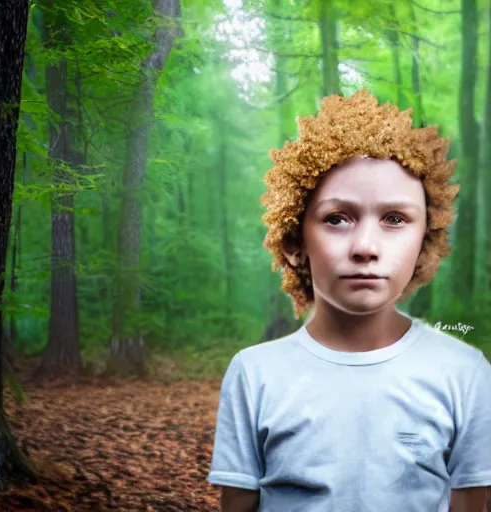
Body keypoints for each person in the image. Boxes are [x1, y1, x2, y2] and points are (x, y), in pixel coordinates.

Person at [206, 90, 491, 512]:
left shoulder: (465, 373)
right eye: (337, 218)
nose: (365, 247)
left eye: (395, 219)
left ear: (424, 240)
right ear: (293, 242)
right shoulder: (254, 373)